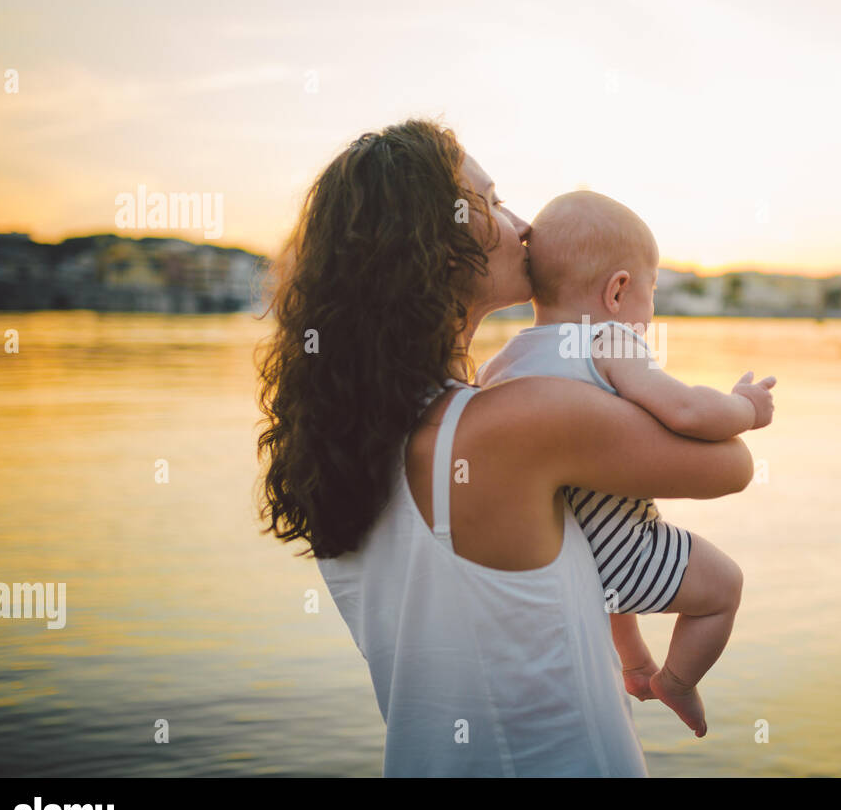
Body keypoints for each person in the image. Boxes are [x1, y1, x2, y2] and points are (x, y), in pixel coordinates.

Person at [255, 119, 754, 776]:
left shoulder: (340, 446)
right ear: (426, 247)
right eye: (490, 203)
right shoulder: (515, 423)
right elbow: (731, 465)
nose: (523, 225)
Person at [478, 190, 776, 737]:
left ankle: (634, 663)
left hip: (563, 552)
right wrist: (745, 409)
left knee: (612, 567)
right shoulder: (608, 339)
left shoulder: (504, 360)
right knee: (724, 588)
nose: (651, 309)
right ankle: (677, 680)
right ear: (617, 290)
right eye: (651, 290)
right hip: (625, 549)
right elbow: (685, 408)